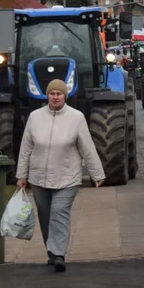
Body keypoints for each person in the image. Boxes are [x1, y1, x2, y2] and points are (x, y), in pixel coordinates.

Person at [15, 79, 105, 272]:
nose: (55, 97)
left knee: (58, 212)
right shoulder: (35, 117)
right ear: (47, 96)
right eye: (52, 94)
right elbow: (26, 148)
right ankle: (51, 251)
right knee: (45, 215)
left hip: (67, 177)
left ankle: (59, 254)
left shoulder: (76, 118)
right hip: (39, 177)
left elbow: (87, 147)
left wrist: (97, 173)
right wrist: (21, 175)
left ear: (65, 96)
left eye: (59, 94)